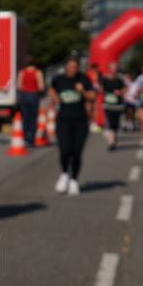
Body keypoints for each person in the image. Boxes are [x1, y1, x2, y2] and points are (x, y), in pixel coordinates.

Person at [49, 57, 94, 195]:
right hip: (63, 120)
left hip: (80, 121)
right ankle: (64, 174)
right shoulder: (59, 79)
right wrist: (54, 97)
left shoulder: (84, 79)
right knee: (64, 150)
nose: (72, 69)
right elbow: (51, 89)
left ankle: (74, 180)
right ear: (66, 67)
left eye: (75, 67)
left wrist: (83, 92)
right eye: (70, 67)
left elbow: (92, 96)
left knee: (76, 152)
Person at [16, 60, 45, 147]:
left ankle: (25, 137)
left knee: (25, 117)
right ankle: (31, 139)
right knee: (33, 118)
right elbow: (41, 87)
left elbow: (19, 86)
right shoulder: (38, 72)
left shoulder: (22, 72)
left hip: (24, 96)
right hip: (34, 96)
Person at [100, 65, 127, 151]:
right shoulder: (104, 79)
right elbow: (100, 89)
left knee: (115, 124)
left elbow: (125, 89)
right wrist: (104, 91)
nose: (114, 70)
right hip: (108, 104)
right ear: (109, 69)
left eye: (115, 69)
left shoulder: (119, 79)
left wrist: (120, 92)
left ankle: (113, 138)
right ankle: (111, 142)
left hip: (118, 105)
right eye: (112, 68)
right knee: (109, 122)